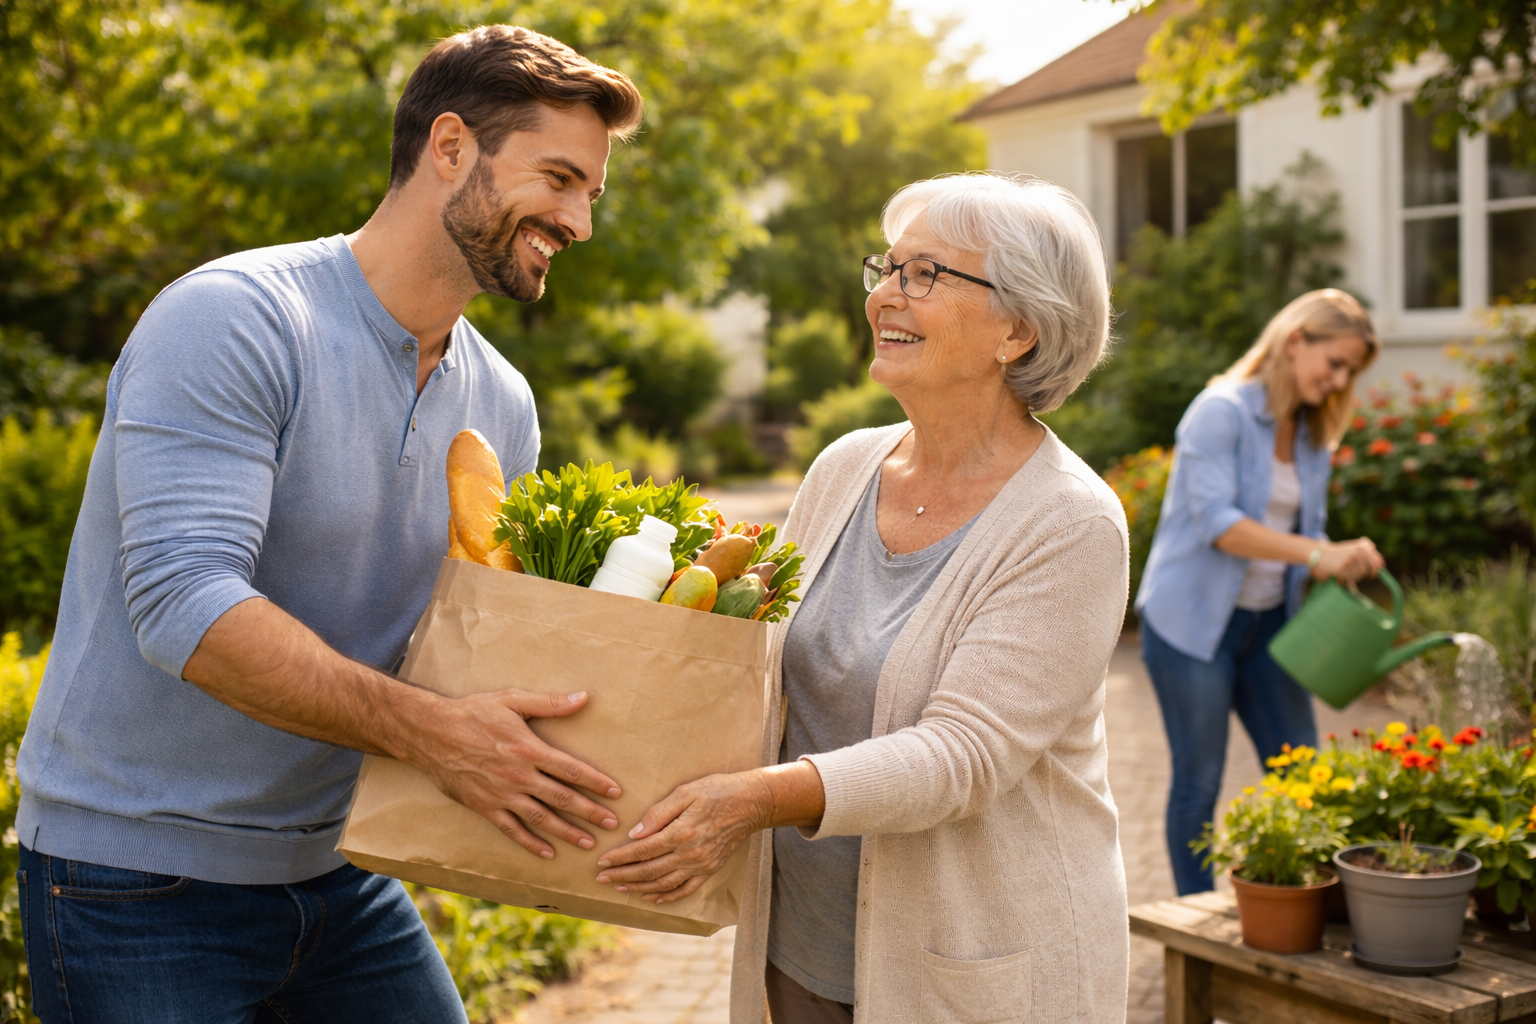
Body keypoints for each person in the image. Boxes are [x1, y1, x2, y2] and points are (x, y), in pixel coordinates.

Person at [16, 26, 643, 1023]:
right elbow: (187, 607)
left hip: (334, 871)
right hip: (138, 879)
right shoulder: (236, 318)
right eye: (560, 178)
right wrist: (442, 737)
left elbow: (474, 646)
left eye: (590, 194)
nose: (579, 220)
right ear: (449, 149)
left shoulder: (503, 403)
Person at [595, 174, 1131, 1023]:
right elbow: (762, 658)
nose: (886, 293)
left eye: (928, 274)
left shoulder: (1070, 523)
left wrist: (749, 801)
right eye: (889, 266)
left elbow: (964, 755)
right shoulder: (845, 467)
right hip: (800, 954)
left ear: (1017, 331)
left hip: (973, 970)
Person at [1135, 289, 1385, 896]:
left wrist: (1335, 557)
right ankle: (1195, 922)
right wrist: (1319, 554)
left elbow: (1304, 530)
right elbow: (1220, 526)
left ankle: (1305, 905)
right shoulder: (1220, 411)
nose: (1340, 379)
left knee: (1304, 774)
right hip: (1193, 628)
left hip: (1272, 624)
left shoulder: (1309, 431)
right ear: (1296, 340)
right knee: (1200, 779)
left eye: (1350, 370)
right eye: (1336, 362)